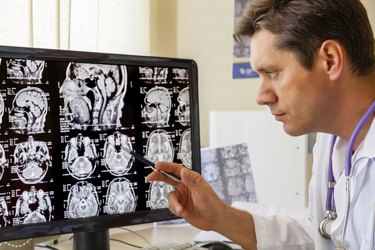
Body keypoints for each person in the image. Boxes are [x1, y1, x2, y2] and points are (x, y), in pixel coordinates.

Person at [147, 0, 375, 249]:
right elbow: (319, 238)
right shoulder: (331, 139)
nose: (261, 96)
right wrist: (220, 218)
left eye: (272, 73)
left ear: (330, 60)